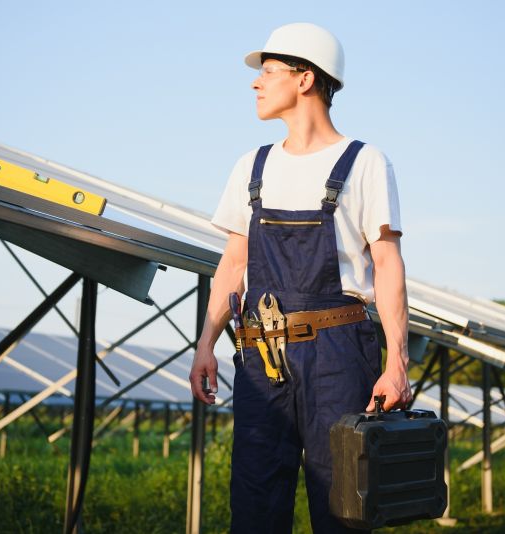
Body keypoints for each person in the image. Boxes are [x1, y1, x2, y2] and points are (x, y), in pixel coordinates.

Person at [189, 22, 412, 534]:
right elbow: (233, 261)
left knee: (342, 506)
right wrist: (206, 342)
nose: (255, 83)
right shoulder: (253, 165)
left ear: (305, 78)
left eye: (268, 71)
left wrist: (397, 362)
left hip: (339, 352)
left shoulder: (364, 162)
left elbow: (388, 266)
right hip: (261, 355)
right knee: (255, 502)